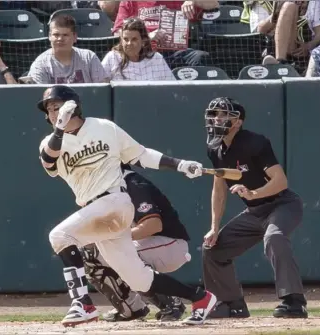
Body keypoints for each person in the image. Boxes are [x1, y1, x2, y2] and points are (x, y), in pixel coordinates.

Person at [37, 85, 217, 326]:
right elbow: (49, 164)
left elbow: (141, 155)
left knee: (59, 236)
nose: (52, 112)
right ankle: (201, 297)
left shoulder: (103, 127)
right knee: (138, 279)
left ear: (74, 106)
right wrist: (60, 126)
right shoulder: (49, 142)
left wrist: (180, 164)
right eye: (48, 109)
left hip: (114, 200)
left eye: (57, 106)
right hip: (96, 212)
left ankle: (82, 303)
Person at [200, 97, 307, 319]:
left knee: (274, 237)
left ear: (238, 121)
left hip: (282, 204)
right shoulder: (214, 149)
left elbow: (280, 180)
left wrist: (253, 193)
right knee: (213, 249)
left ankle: (294, 301)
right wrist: (214, 227)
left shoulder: (255, 142)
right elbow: (218, 189)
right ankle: (231, 304)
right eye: (214, 114)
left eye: (223, 114)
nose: (216, 119)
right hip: (255, 212)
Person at [28, 14, 108, 84]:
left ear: (75, 37)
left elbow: (103, 90)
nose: (60, 39)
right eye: (56, 35)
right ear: (49, 36)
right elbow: (39, 96)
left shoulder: (89, 58)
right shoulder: (40, 64)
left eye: (65, 35)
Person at [102, 17, 175, 81]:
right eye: (126, 39)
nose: (129, 43)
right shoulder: (112, 57)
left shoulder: (157, 59)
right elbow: (100, 86)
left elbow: (173, 88)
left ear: (143, 41)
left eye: (134, 39)